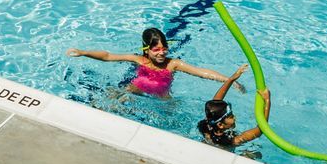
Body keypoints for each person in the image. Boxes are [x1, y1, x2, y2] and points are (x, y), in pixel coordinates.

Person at [67, 27, 239, 97]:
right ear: (146, 50)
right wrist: (83, 52)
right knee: (109, 101)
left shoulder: (173, 64)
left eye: (164, 48)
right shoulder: (139, 60)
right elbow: (108, 56)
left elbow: (202, 72)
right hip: (133, 92)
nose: (162, 53)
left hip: (163, 97)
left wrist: (228, 79)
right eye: (156, 50)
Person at [199, 71, 270, 151]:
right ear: (220, 125)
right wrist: (267, 101)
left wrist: (231, 79)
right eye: (231, 116)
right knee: (255, 151)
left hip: (207, 149)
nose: (235, 117)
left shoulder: (207, 126)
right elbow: (260, 129)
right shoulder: (233, 141)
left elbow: (216, 102)